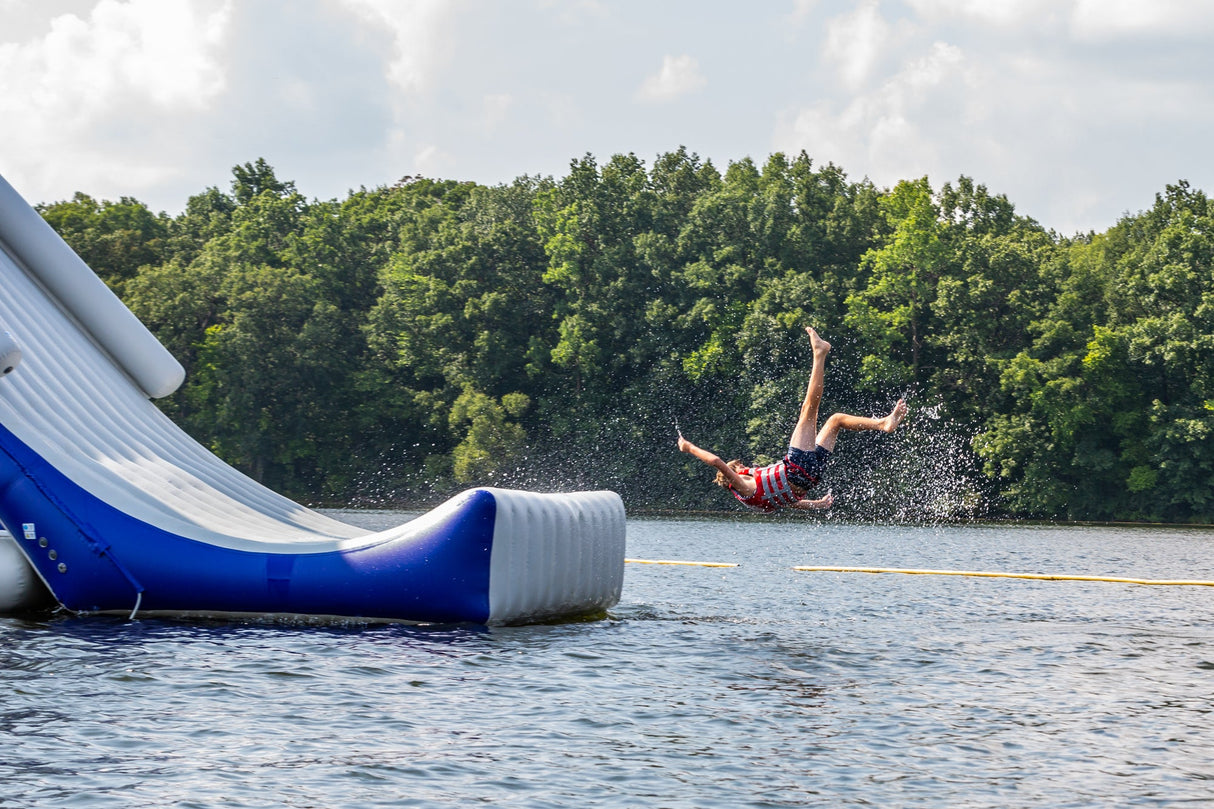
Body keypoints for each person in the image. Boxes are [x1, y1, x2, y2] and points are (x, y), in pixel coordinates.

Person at [676, 327, 907, 513]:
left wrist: (816, 504)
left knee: (835, 420)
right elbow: (716, 461)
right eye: (741, 468)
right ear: (734, 476)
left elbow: (788, 501)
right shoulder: (741, 486)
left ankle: (883, 423)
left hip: (810, 476)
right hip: (796, 468)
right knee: (808, 409)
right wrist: (689, 447)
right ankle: (819, 354)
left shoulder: (754, 502)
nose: (746, 468)